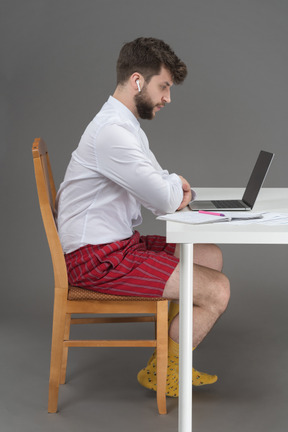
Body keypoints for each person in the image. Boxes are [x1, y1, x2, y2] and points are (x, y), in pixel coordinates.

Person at [56, 37, 230, 397]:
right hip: (97, 259)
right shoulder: (113, 133)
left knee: (208, 254)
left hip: (116, 246)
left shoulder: (126, 127)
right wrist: (172, 185)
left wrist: (169, 188)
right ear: (138, 81)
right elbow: (165, 199)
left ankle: (163, 362)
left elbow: (160, 197)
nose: (168, 97)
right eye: (163, 86)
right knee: (217, 290)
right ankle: (169, 370)